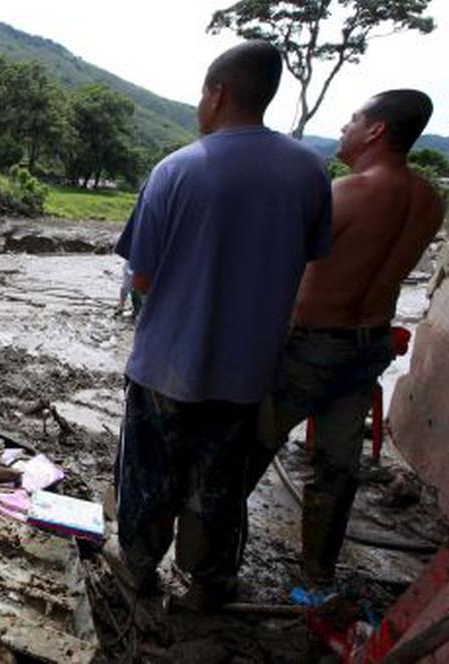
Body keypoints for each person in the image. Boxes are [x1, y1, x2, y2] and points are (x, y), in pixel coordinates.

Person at [110, 41, 332, 611]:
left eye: (201, 94)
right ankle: (208, 582)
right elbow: (309, 261)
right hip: (247, 373)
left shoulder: (175, 170)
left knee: (148, 478)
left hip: (165, 365)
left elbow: (142, 281)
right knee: (220, 485)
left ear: (218, 93)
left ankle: (137, 570)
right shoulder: (311, 172)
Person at [245, 90, 444, 590]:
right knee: (337, 469)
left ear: (376, 131)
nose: (343, 129)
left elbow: (281, 267)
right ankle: (316, 579)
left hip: (311, 348)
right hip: (367, 348)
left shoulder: (349, 192)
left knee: (244, 449)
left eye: (353, 119)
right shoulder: (429, 201)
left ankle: (212, 563)